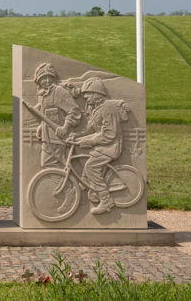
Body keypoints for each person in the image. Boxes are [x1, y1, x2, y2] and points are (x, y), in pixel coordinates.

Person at [66, 77, 126, 215]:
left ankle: (106, 199)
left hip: (111, 146)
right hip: (103, 145)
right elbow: (91, 127)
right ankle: (91, 186)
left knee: (91, 167)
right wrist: (78, 136)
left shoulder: (108, 108)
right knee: (81, 151)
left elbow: (109, 134)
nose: (85, 96)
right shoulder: (94, 107)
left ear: (97, 93)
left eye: (88, 93)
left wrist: (90, 141)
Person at [32, 63, 82, 168]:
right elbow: (47, 114)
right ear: (38, 81)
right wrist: (41, 126)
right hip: (47, 137)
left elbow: (75, 111)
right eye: (44, 78)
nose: (48, 80)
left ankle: (68, 183)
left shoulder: (59, 91)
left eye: (50, 77)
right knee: (51, 164)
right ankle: (68, 183)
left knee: (50, 163)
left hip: (58, 138)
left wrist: (65, 127)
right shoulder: (43, 95)